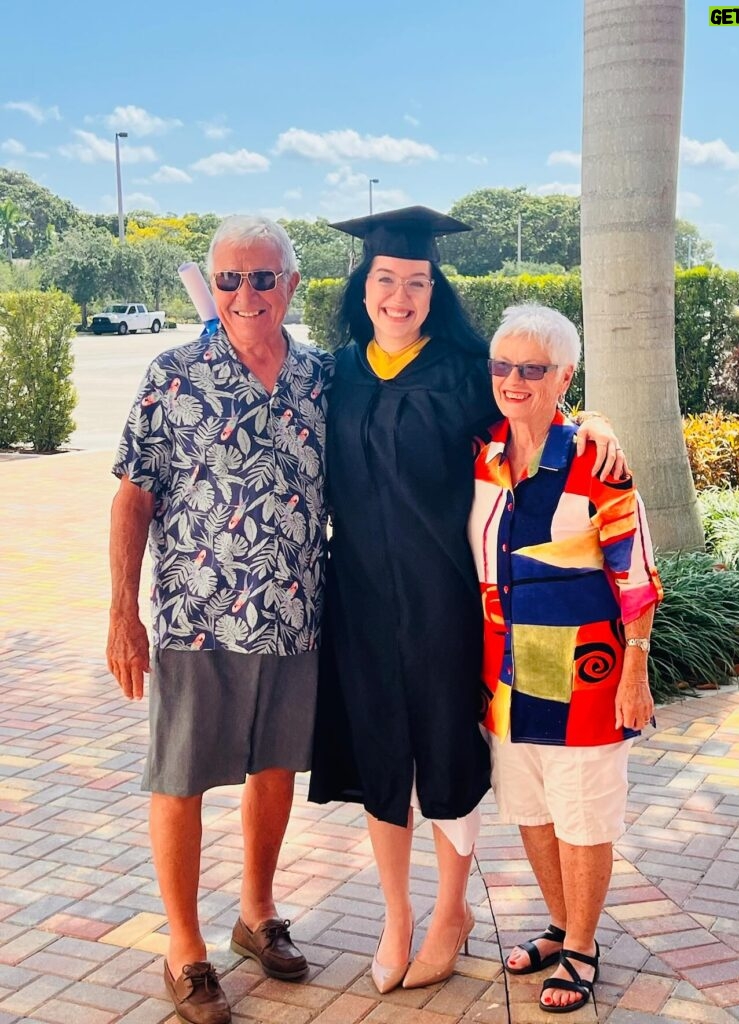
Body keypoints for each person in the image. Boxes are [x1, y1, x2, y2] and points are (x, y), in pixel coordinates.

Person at [308, 208, 627, 994]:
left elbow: (534, 420)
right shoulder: (337, 371)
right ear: (363, 286)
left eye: (416, 282)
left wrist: (596, 422)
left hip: (446, 598)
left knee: (447, 754)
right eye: (386, 279)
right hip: (361, 599)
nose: (400, 295)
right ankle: (396, 914)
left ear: (434, 290)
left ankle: (452, 910)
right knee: (380, 750)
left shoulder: (460, 369)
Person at [107, 216, 332, 1024]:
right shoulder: (173, 375)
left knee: (275, 771)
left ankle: (256, 913)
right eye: (229, 279)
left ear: (291, 286)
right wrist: (121, 615)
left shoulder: (320, 379)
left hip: (294, 618)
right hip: (195, 620)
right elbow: (133, 496)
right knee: (181, 779)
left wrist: (586, 421)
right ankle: (185, 945)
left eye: (262, 278)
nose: (245, 294)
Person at [468, 303, 663, 1014]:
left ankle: (582, 946)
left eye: (533, 369)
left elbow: (636, 577)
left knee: (584, 814)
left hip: (587, 674)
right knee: (530, 807)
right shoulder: (481, 452)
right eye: (503, 366)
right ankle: (560, 922)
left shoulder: (595, 462)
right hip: (507, 676)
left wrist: (636, 672)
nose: (514, 380)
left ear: (564, 377)